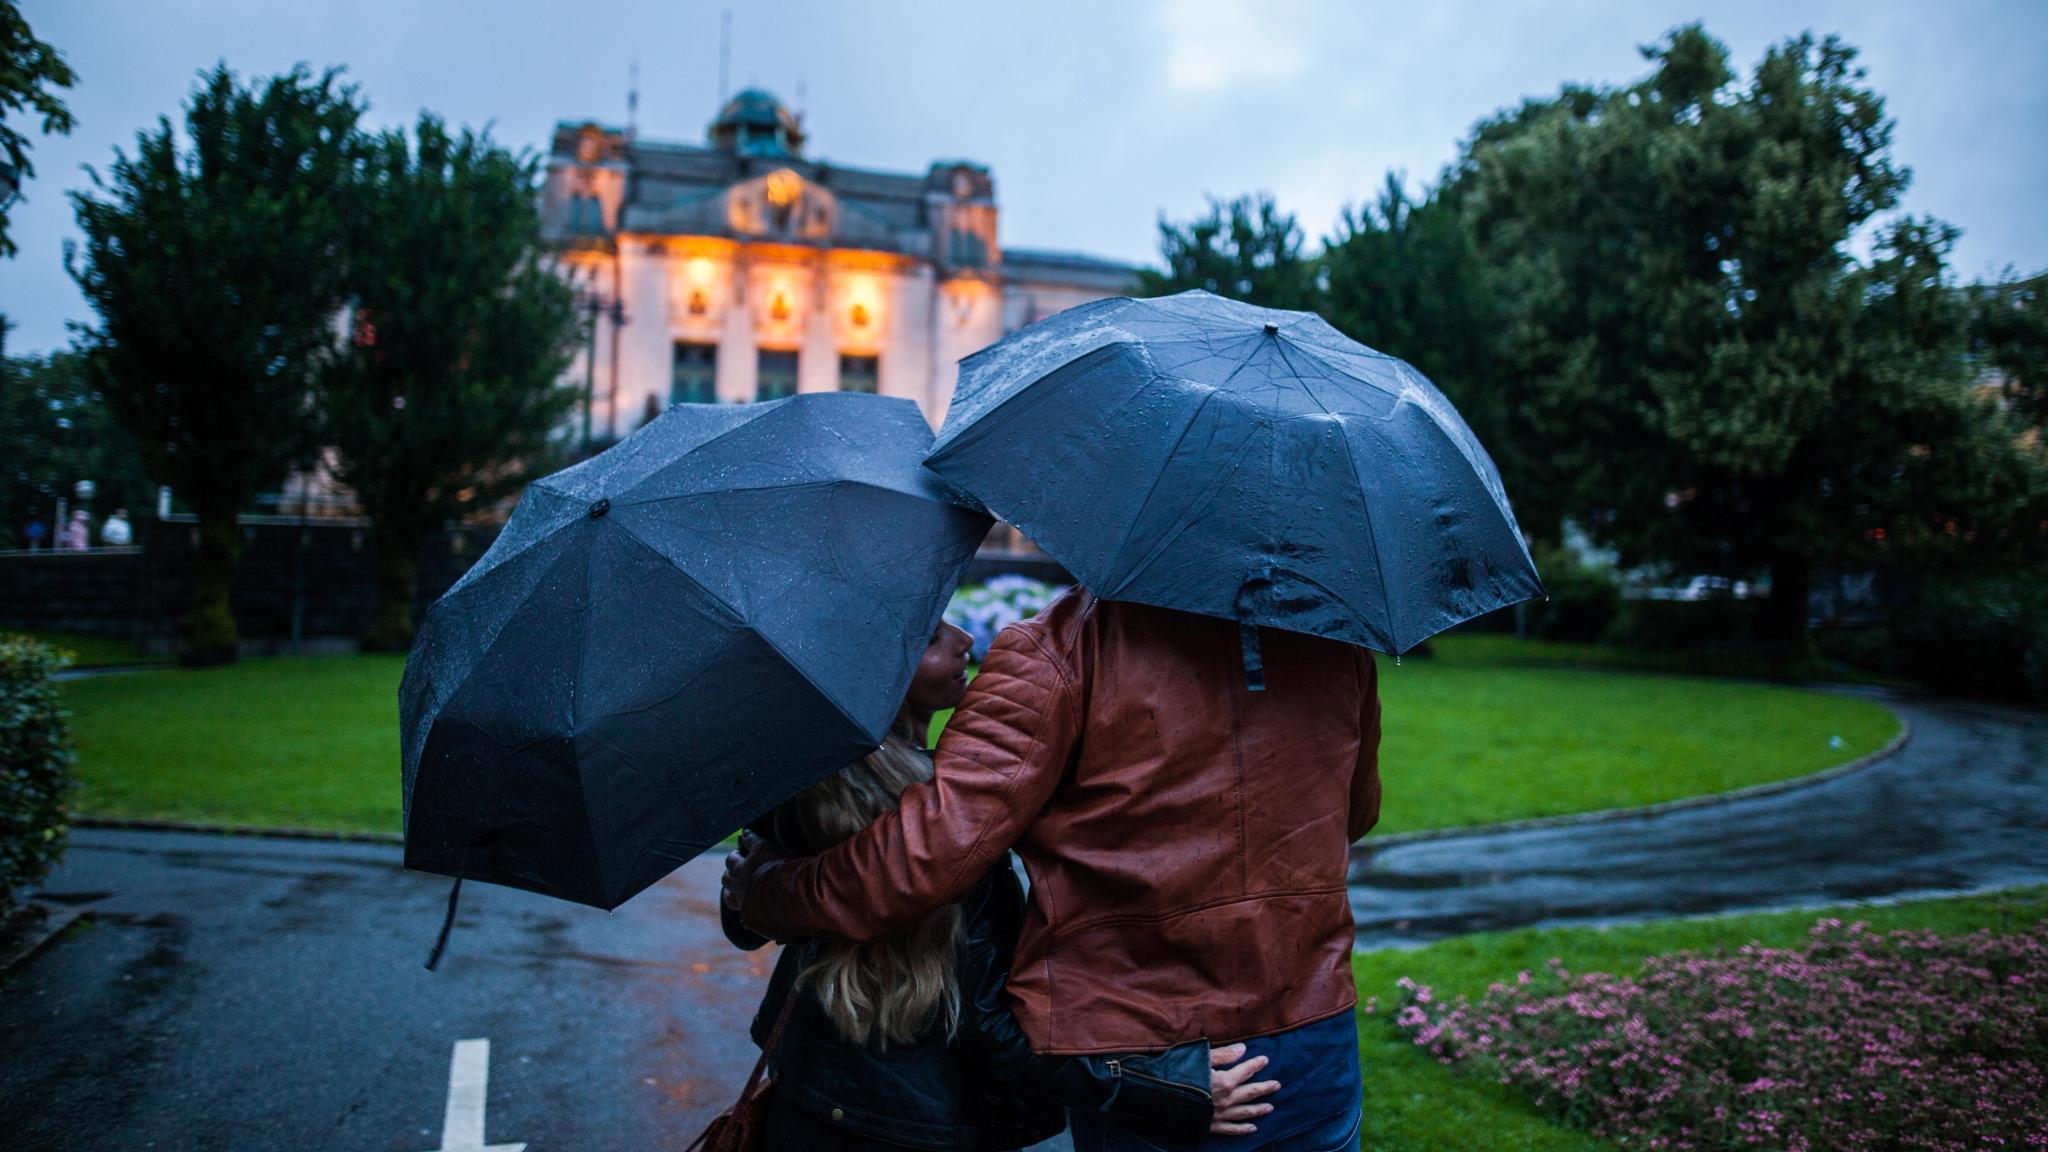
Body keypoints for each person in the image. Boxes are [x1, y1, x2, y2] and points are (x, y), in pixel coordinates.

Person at [727, 590, 1382, 1152]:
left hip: (1150, 1038)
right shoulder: (1334, 638)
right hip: (1312, 1030)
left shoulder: (1065, 646)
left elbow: (921, 857)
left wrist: (765, 892)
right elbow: (1353, 815)